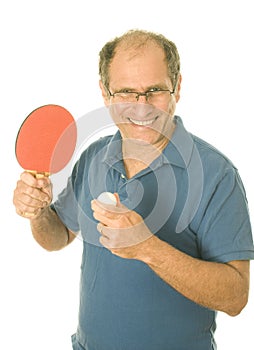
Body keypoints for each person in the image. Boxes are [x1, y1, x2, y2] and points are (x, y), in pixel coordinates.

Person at [13, 29, 254, 350]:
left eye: (154, 90)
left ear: (177, 87)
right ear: (104, 93)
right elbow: (57, 237)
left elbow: (236, 297)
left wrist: (147, 248)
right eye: (126, 92)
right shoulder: (93, 157)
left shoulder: (217, 174)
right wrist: (38, 212)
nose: (141, 108)